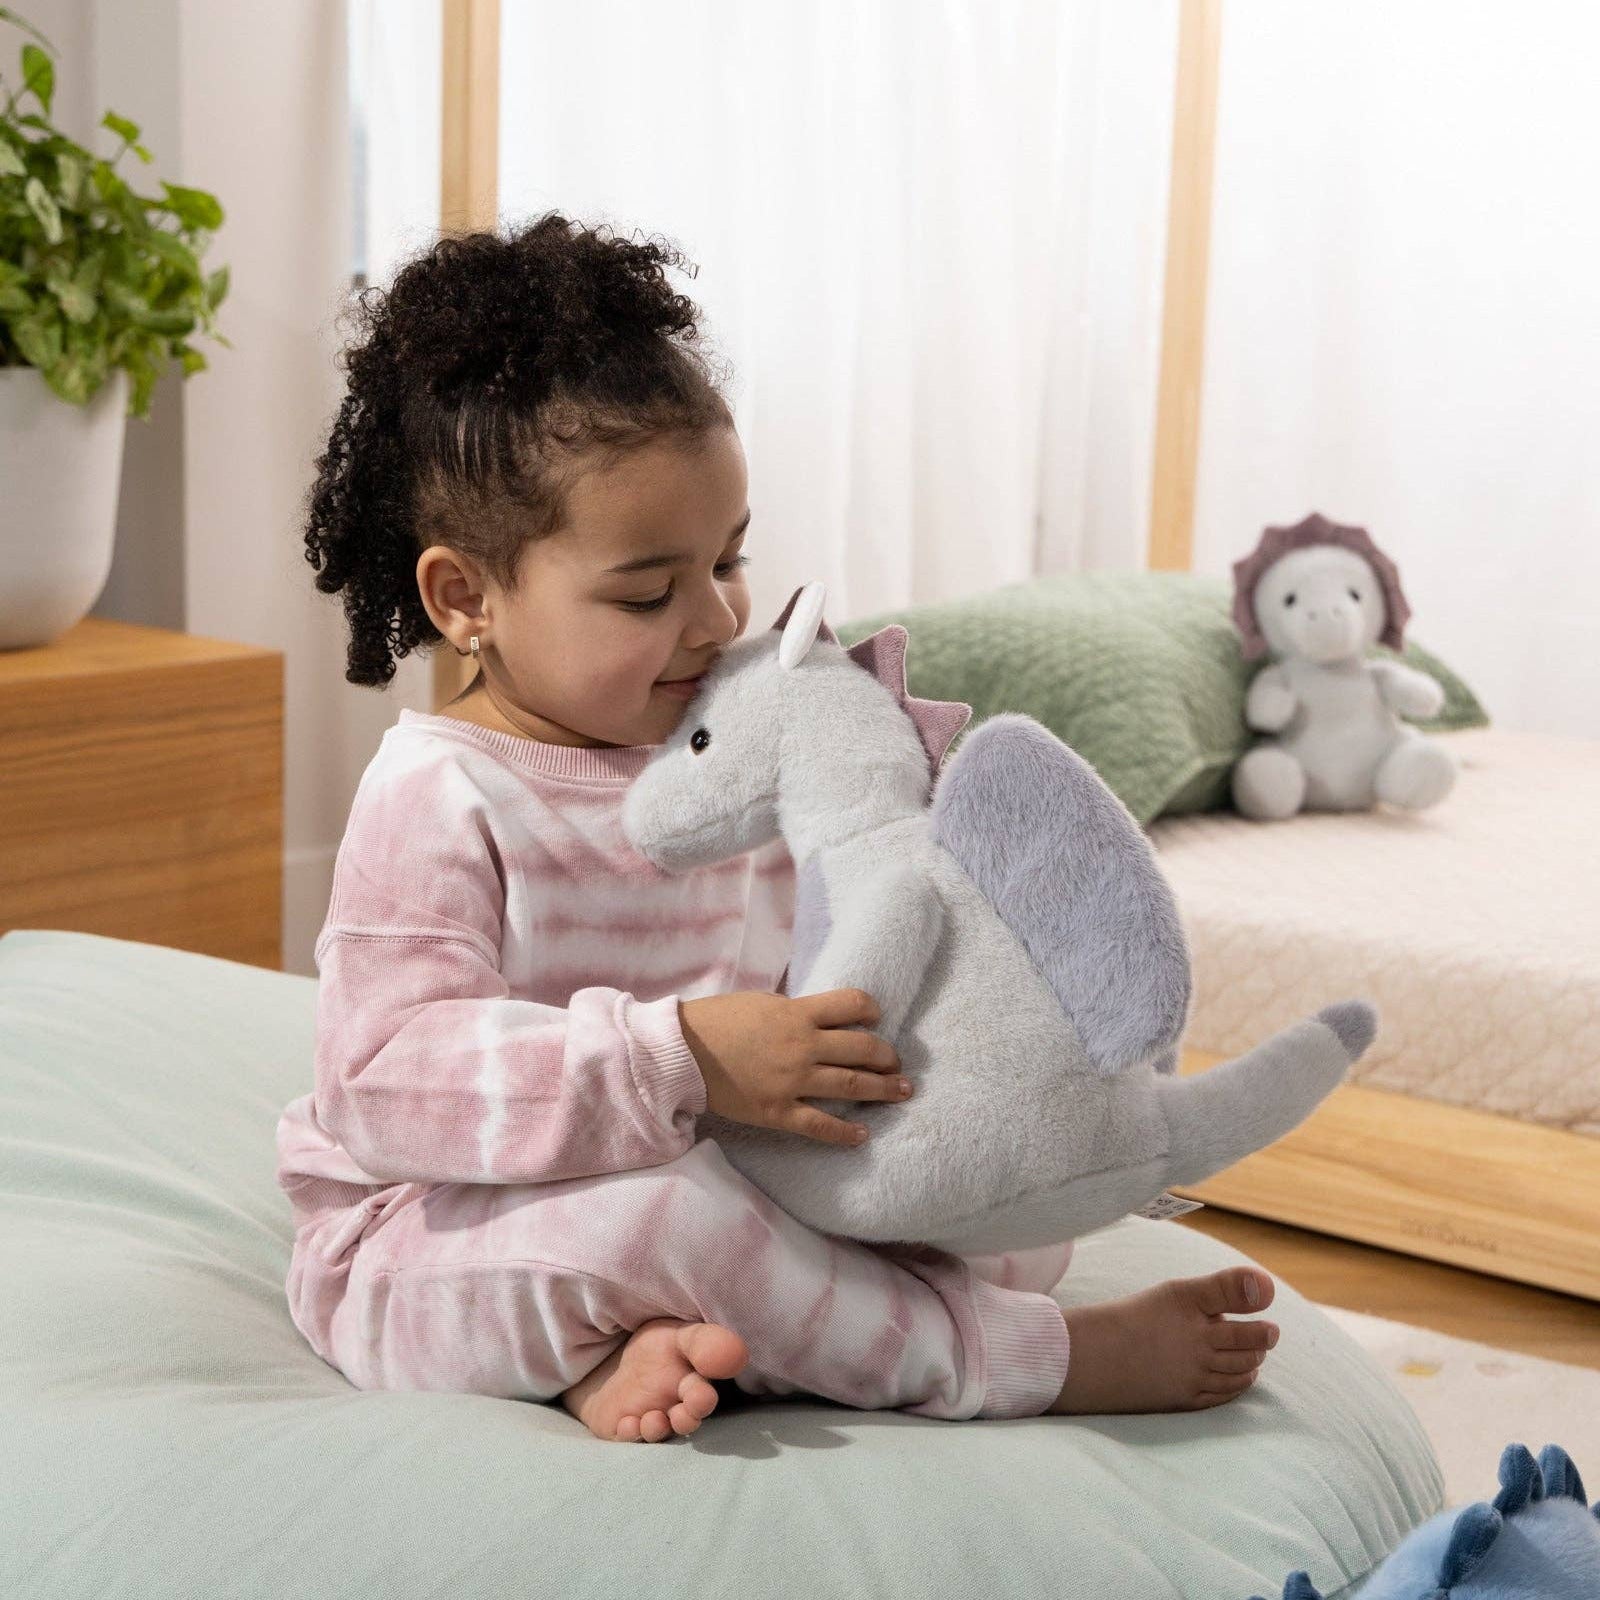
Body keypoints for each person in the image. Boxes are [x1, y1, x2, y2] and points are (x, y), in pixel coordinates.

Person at [275, 212, 1279, 1444]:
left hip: (729, 1171)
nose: (711, 619)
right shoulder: (439, 790)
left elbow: (836, 945)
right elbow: (381, 1084)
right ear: (466, 596)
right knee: (666, 1224)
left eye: (729, 562)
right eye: (647, 590)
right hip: (444, 1234)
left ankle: (635, 1353)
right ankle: (1016, 1361)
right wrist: (682, 1056)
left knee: (1012, 1216)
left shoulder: (738, 740)